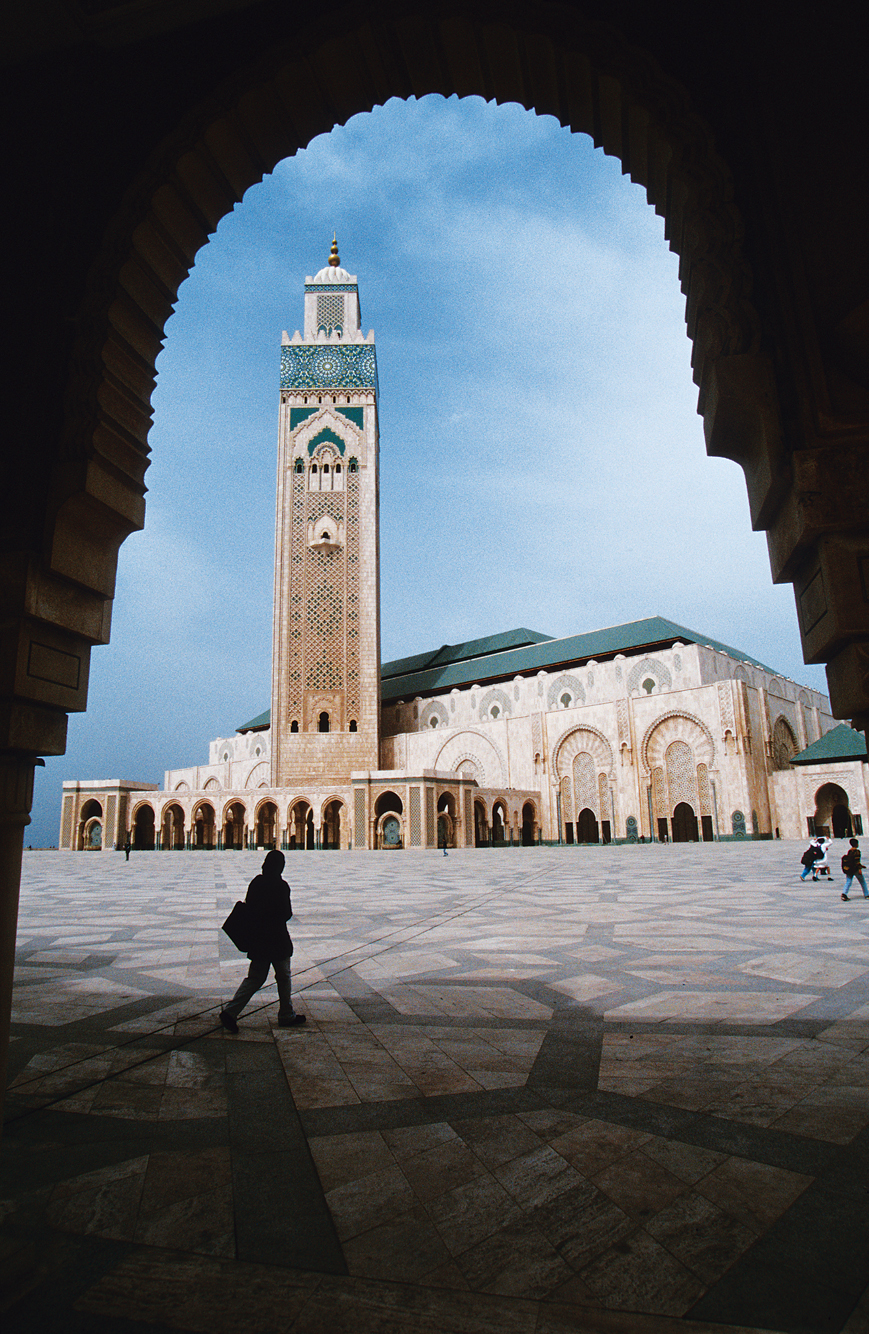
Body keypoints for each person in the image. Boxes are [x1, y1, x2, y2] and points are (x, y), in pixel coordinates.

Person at [220, 850, 305, 1032]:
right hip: (277, 940)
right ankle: (286, 1014)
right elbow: (286, 913)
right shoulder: (281, 886)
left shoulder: (256, 883)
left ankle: (230, 1012)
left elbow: (248, 906)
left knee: (255, 978)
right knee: (284, 977)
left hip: (259, 940)